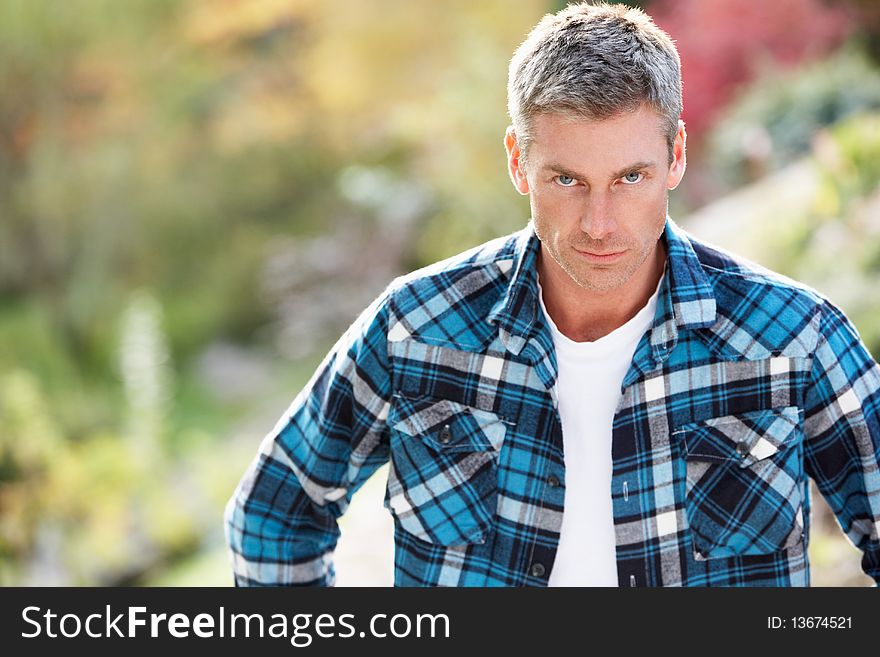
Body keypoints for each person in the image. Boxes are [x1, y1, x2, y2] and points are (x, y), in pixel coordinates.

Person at [224, 1, 880, 587]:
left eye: (630, 177)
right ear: (518, 161)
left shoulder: (795, 335)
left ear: (676, 156)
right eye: (566, 179)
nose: (600, 223)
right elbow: (274, 516)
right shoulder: (414, 327)